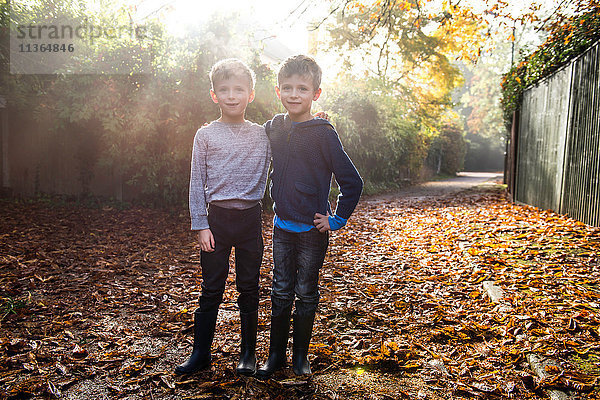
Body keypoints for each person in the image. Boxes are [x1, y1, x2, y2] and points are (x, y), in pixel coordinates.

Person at [256, 55, 363, 379]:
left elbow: (352, 182)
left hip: (312, 234)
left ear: (315, 93)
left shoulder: (323, 134)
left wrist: (337, 219)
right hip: (282, 229)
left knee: (306, 290)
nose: (294, 94)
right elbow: (252, 136)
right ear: (278, 91)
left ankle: (300, 357)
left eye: (302, 88)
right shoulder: (275, 127)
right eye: (287, 88)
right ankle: (276, 357)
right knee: (280, 289)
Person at [175, 58, 270, 376]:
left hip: (249, 222)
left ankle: (248, 355)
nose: (232, 96)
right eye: (225, 90)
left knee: (249, 288)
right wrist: (200, 224)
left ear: (251, 95)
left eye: (239, 90)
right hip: (215, 222)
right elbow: (196, 181)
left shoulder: (264, 135)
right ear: (214, 94)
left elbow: (294, 133)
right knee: (211, 289)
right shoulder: (205, 136)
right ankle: (200, 354)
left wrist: (318, 119)